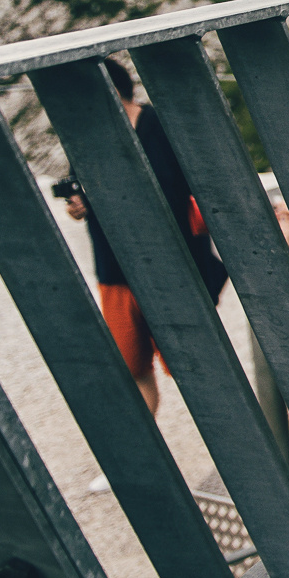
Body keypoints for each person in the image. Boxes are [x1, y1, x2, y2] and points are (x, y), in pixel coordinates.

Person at [60, 57, 226, 420]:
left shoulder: (160, 127)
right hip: (115, 269)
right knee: (132, 369)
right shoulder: (88, 137)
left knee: (198, 368)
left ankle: (243, 445)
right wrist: (80, 206)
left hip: (172, 268)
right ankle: (150, 463)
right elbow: (85, 194)